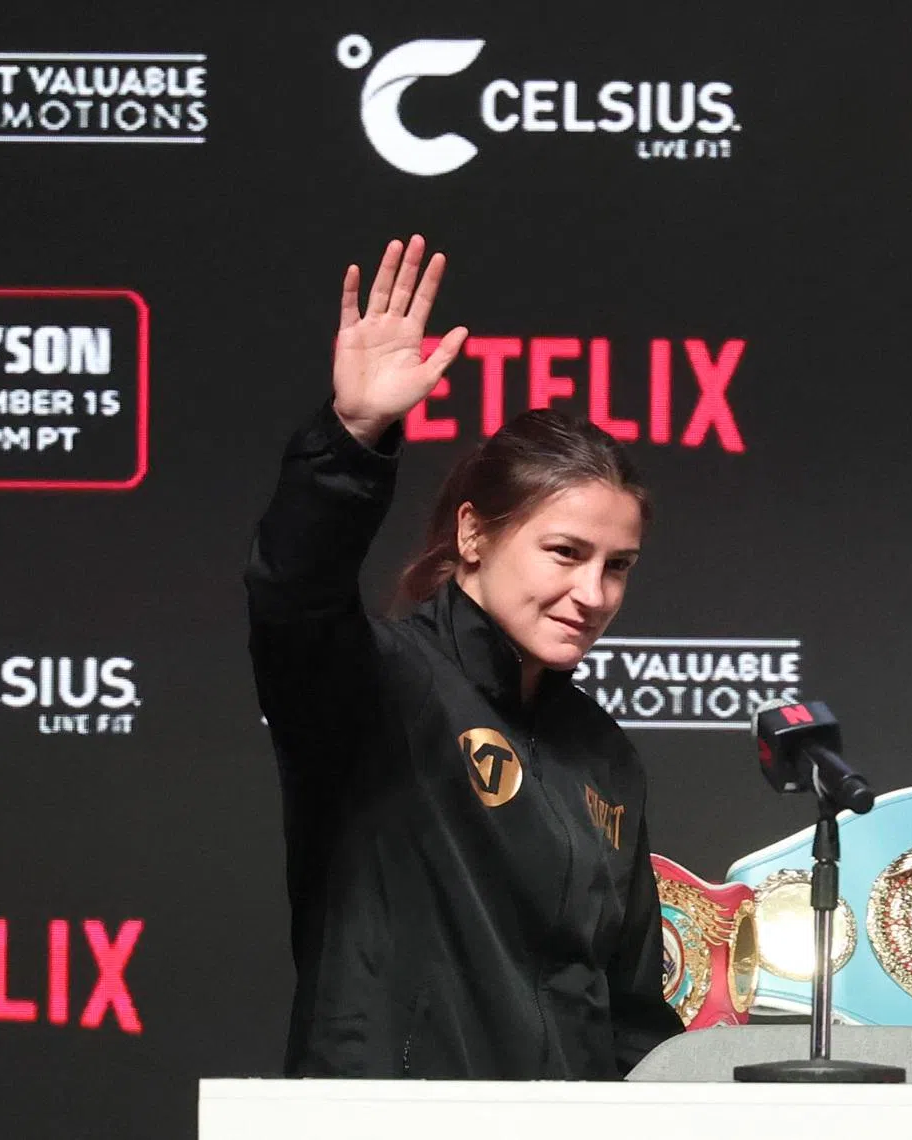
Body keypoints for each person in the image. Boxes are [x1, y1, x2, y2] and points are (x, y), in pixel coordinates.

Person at [245, 235, 683, 1080]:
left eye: (617, 566)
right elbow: (291, 594)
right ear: (473, 533)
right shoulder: (380, 686)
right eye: (564, 552)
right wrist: (353, 438)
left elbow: (631, 1012)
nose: (593, 593)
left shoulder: (605, 754)